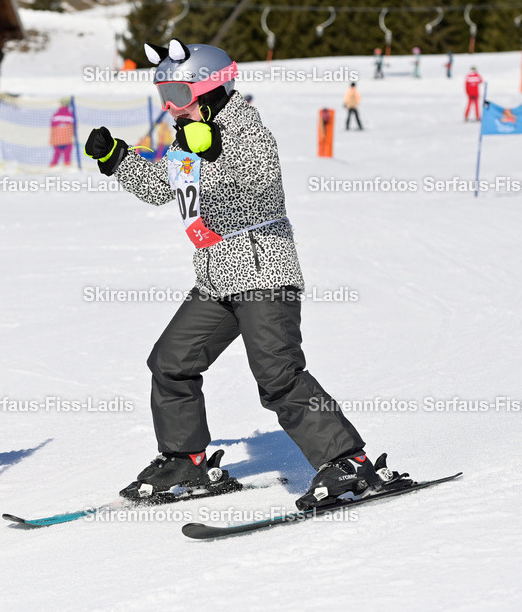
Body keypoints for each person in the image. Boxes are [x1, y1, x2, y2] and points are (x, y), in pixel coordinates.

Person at [83, 38, 407, 510]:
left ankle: (348, 462)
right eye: (163, 98)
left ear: (211, 89)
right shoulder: (186, 139)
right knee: (170, 362)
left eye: (178, 96)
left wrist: (212, 150)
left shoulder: (246, 129)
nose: (171, 109)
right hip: (217, 281)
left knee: (277, 375)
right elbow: (161, 189)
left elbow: (258, 183)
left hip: (263, 273)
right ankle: (185, 459)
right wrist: (117, 158)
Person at [49, 100, 75, 167]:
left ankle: (52, 167)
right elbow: (74, 128)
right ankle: (67, 167)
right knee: (67, 155)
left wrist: (52, 139)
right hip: (67, 139)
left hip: (57, 140)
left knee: (56, 155)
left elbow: (52, 127)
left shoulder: (55, 115)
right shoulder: (71, 115)